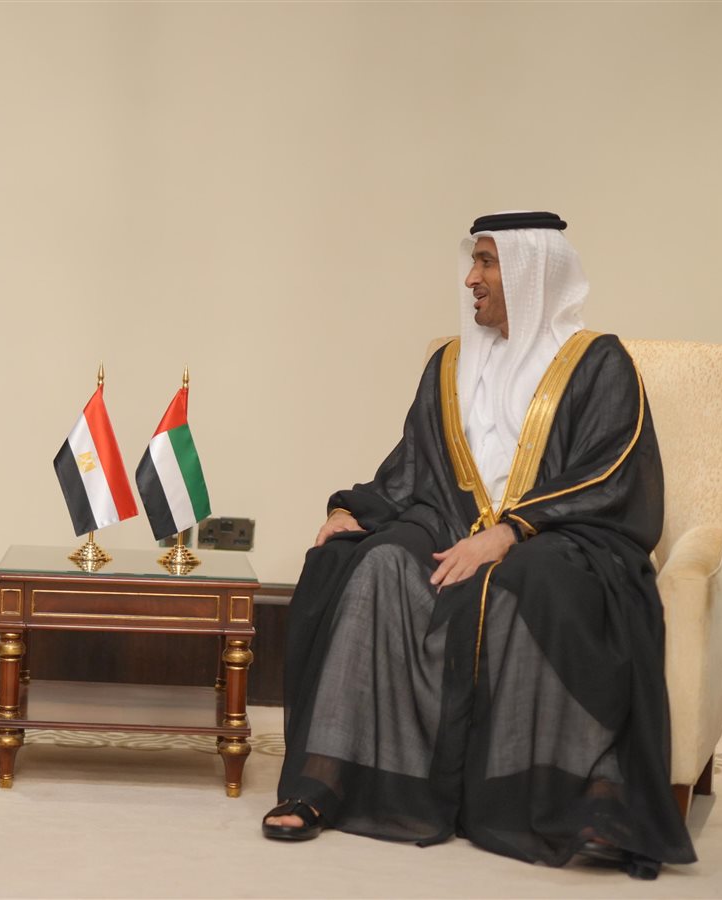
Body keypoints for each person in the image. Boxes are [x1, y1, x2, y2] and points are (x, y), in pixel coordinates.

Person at [261, 212, 695, 879]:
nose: (471, 278)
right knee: (372, 563)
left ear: (530, 271)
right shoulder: (450, 364)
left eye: (487, 262)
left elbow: (612, 472)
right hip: (449, 522)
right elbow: (412, 465)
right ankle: (325, 780)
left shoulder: (599, 362)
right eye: (474, 262)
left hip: (566, 534)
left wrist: (512, 531)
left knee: (531, 582)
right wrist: (353, 509)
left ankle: (586, 797)